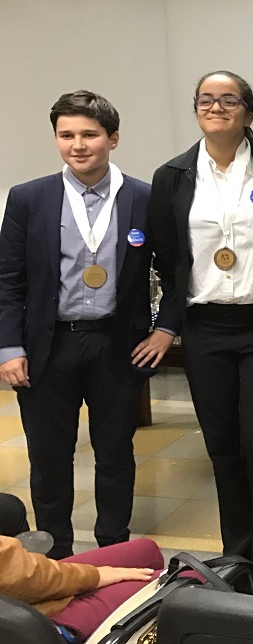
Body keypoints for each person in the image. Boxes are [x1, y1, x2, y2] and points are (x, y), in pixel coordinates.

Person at [0, 91, 173, 560]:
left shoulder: (143, 197)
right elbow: (8, 280)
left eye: (90, 135)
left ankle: (112, 547)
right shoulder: (28, 198)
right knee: (48, 458)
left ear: (112, 139)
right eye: (66, 135)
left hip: (117, 343)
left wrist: (165, 329)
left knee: (115, 454)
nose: (78, 145)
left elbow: (177, 270)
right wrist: (9, 347)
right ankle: (55, 556)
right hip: (47, 347)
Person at [149, 71, 253, 596]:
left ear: (248, 112)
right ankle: (238, 557)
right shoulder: (173, 175)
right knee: (223, 447)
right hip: (205, 327)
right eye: (206, 100)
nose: (216, 107)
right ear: (196, 111)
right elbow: (166, 256)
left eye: (228, 99)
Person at [0, 534, 161, 642]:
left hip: (18, 573)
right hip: (30, 616)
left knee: (147, 550)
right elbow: (21, 577)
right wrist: (94, 576)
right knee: (179, 579)